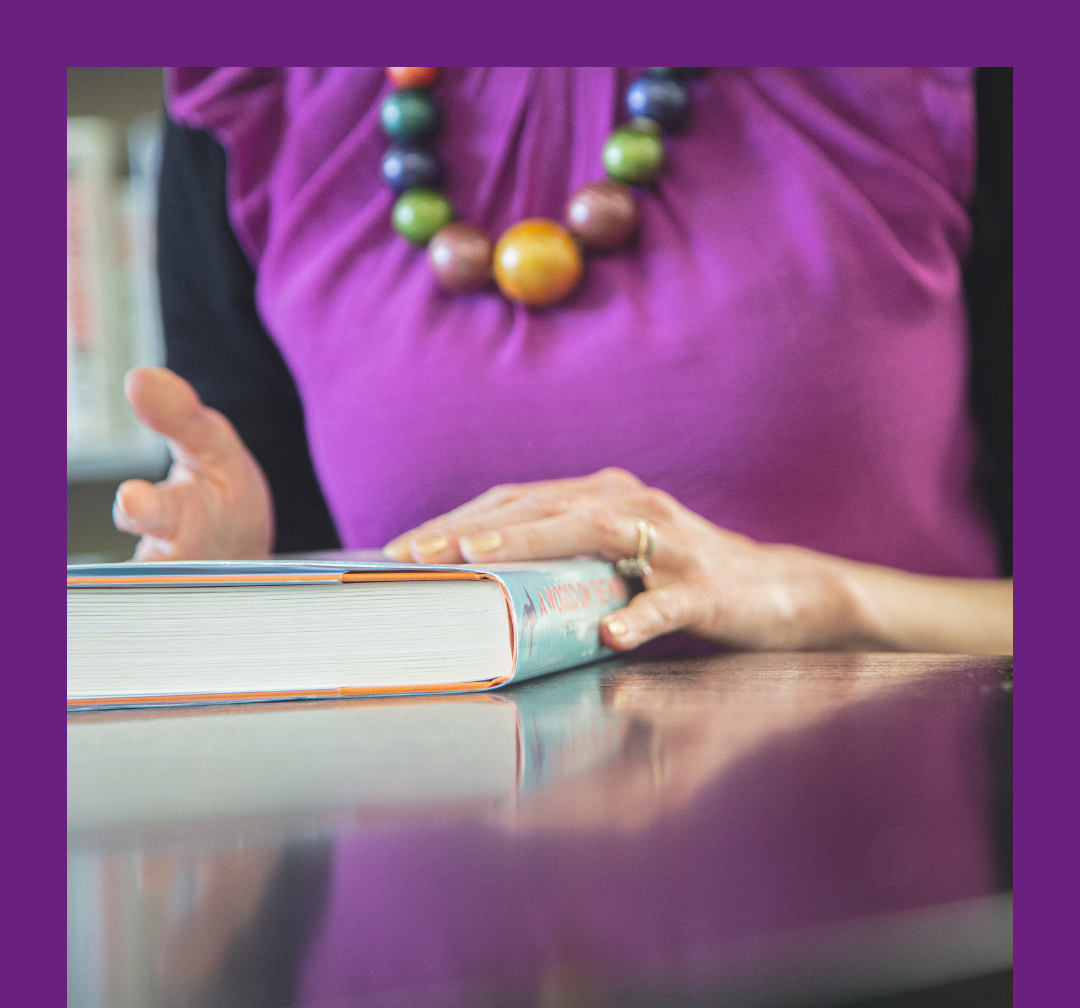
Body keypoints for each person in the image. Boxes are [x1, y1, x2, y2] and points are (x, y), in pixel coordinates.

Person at [112, 67, 1012, 655]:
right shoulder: (253, 91)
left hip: (911, 902)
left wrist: (820, 599)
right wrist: (228, 599)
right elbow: (283, 601)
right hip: (429, 932)